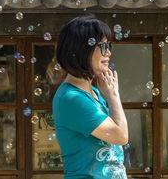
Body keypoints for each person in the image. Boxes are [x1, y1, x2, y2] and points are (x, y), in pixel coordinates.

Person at [53, 15, 128, 179]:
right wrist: (113, 95)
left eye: (109, 46)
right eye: (102, 46)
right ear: (82, 49)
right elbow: (120, 136)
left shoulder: (92, 94)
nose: (108, 52)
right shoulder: (72, 98)